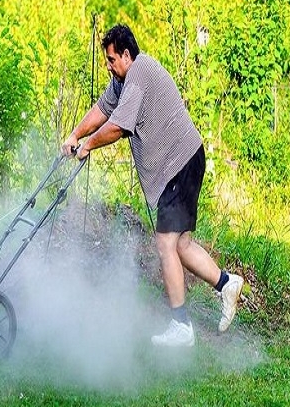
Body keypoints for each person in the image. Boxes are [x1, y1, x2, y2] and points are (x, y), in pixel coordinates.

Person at [61, 24, 244, 347]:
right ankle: (227, 283)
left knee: (164, 243)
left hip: (181, 163)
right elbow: (103, 110)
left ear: (127, 55)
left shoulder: (140, 74)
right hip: (184, 162)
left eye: (111, 59)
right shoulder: (122, 80)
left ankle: (181, 328)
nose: (108, 65)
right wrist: (76, 134)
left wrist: (88, 145)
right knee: (181, 245)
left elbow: (117, 127)